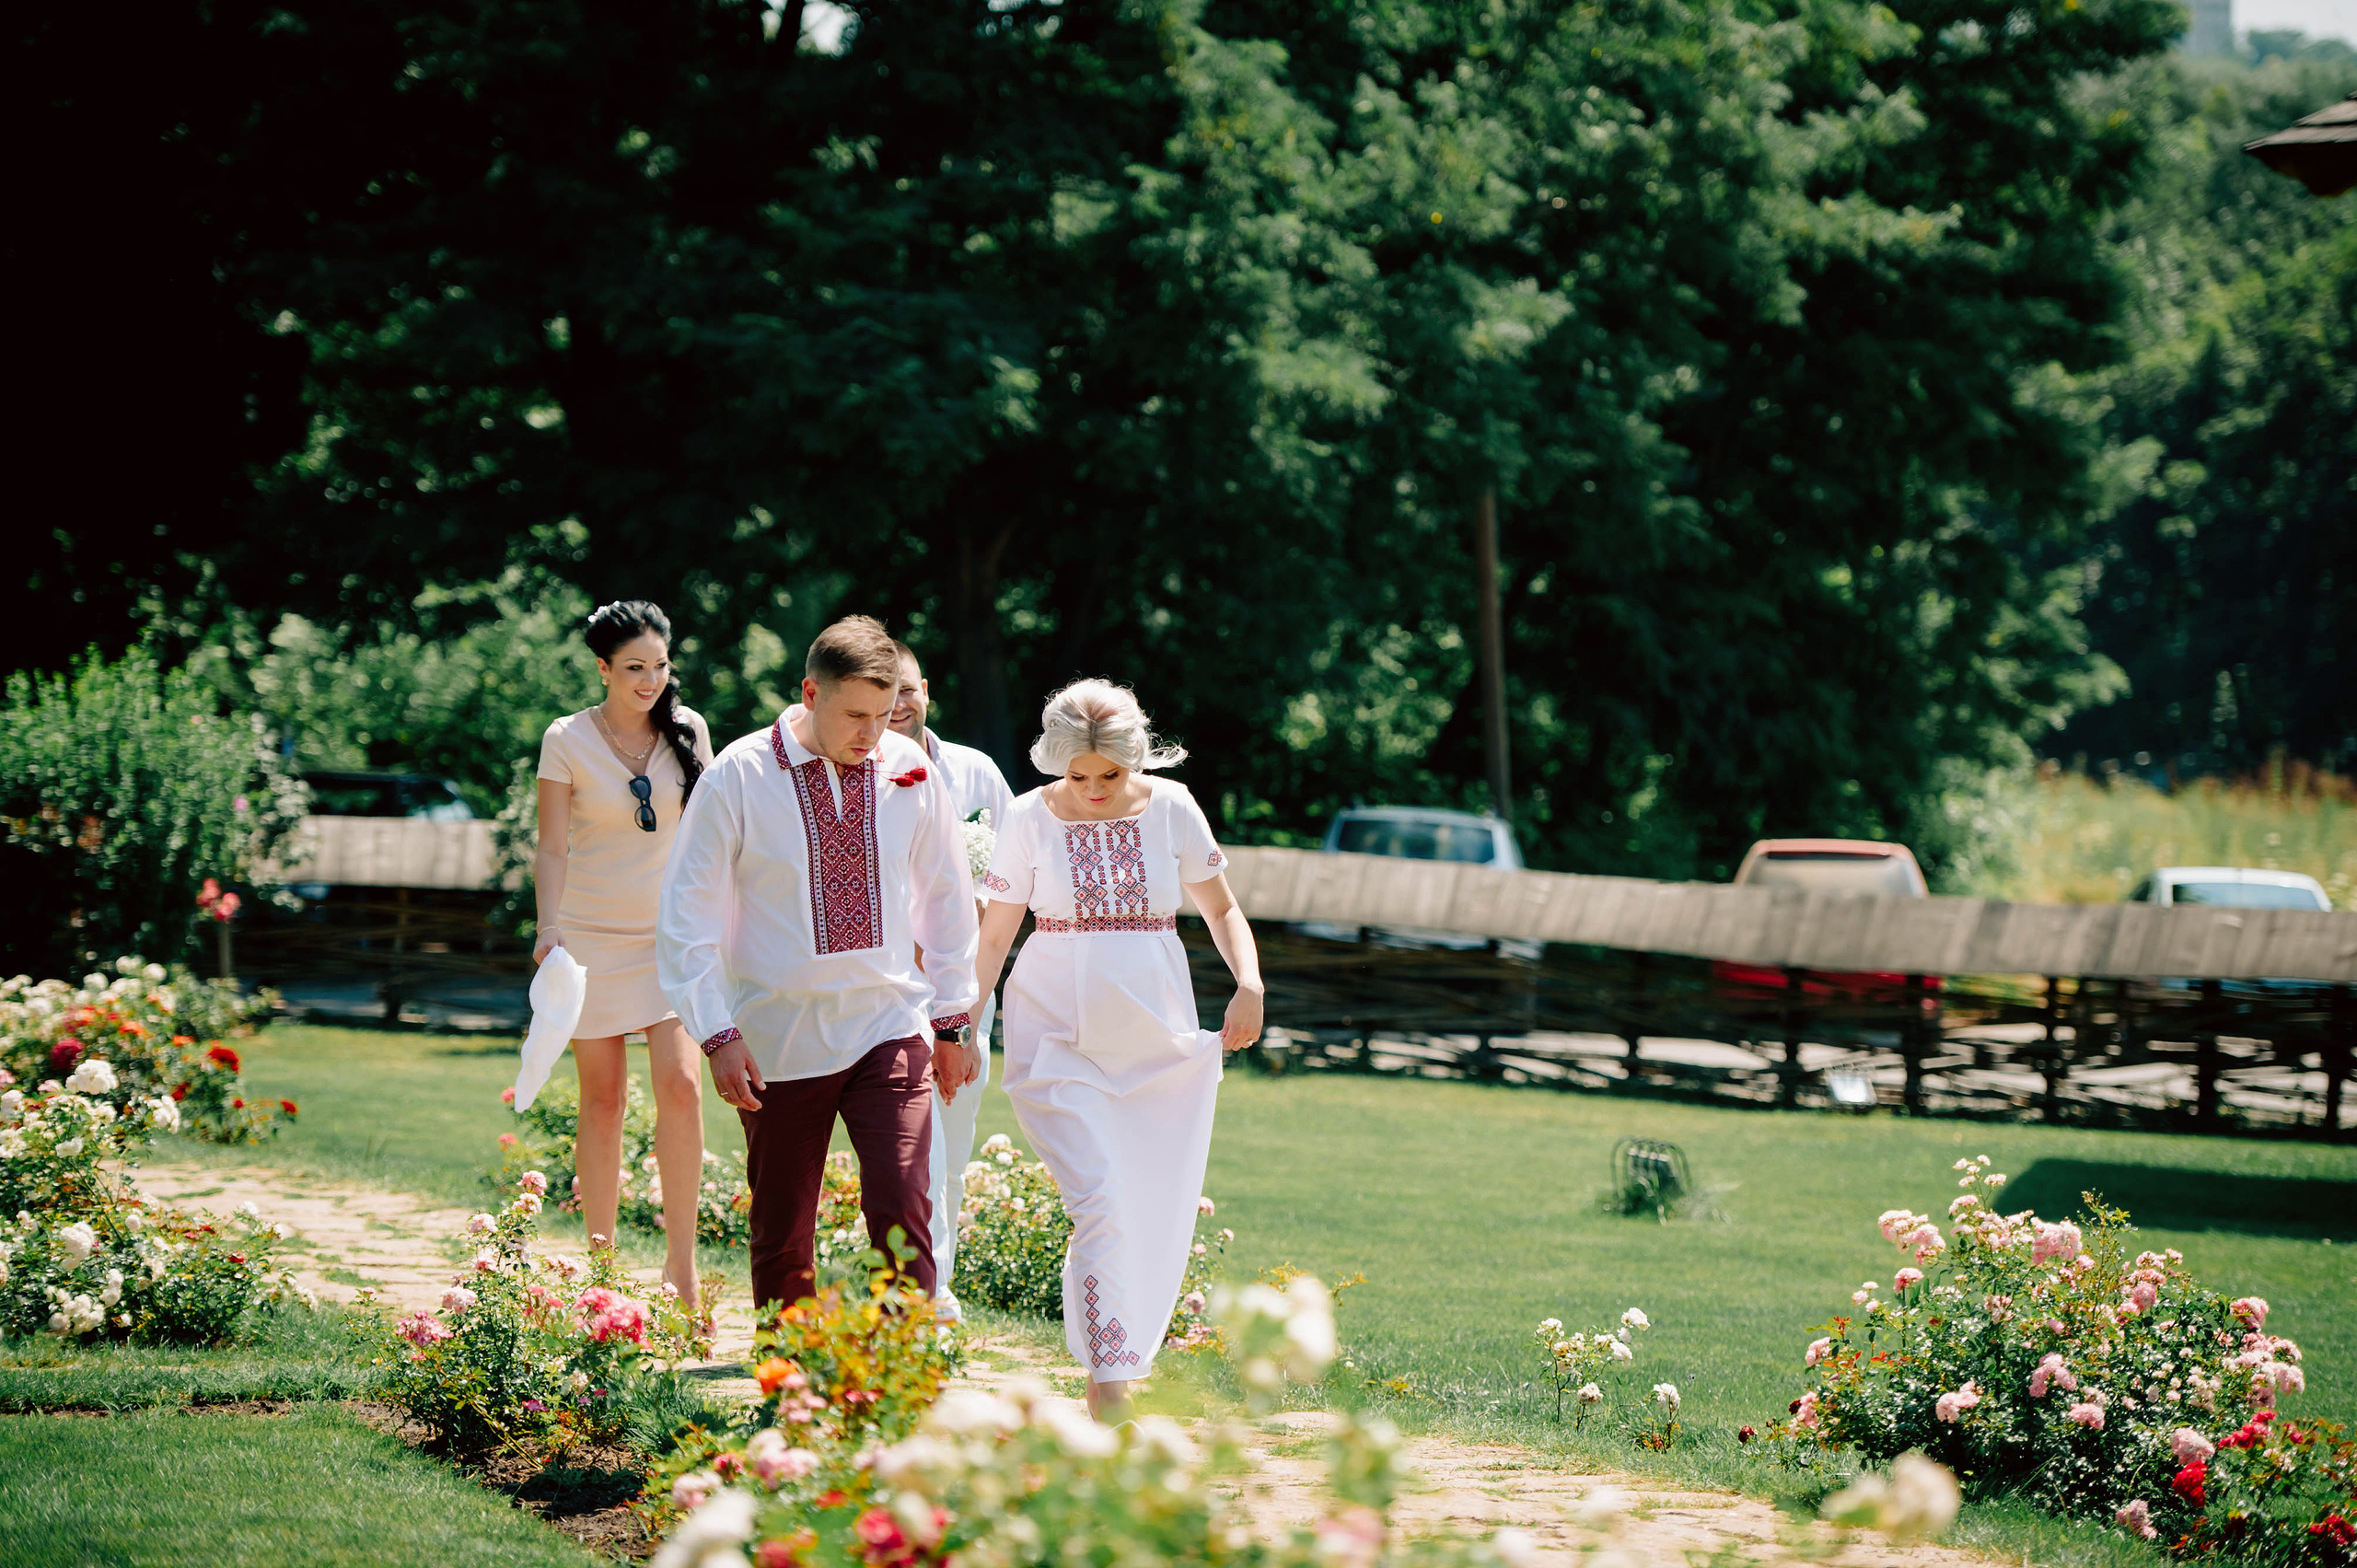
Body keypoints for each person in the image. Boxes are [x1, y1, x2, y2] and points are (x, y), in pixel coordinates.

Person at [657, 615, 981, 1318]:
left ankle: (905, 1365)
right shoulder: (739, 775)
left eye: (884, 713)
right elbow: (686, 919)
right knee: (783, 1227)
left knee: (903, 1202)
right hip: (777, 1036)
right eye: (856, 715)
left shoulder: (909, 769)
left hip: (887, 1022)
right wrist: (716, 1032)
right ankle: (789, 1371)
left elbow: (947, 898)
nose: (873, 733)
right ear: (810, 693)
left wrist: (953, 1021)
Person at [970, 679, 1263, 1422]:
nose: (1095, 789)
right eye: (1079, 775)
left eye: (1111, 773)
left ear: (1135, 759)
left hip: (1156, 1041)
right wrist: (961, 1027)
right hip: (1055, 1037)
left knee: (1147, 1204)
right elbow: (996, 935)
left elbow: (1221, 906)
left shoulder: (1174, 807)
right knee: (1099, 1196)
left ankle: (1117, 1358)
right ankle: (1111, 1380)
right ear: (1055, 761)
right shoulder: (1027, 817)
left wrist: (1249, 982)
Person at [532, 600, 715, 1307]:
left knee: (683, 1086)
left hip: (669, 940)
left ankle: (681, 1271)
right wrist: (548, 927)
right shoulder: (566, 739)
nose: (650, 680)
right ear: (603, 667)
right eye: (635, 666)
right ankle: (603, 1274)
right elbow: (553, 846)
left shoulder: (689, 729)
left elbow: (712, 835)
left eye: (660, 665)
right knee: (603, 1100)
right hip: (589, 939)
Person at [888, 641, 1015, 1325]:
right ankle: (917, 1292)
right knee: (907, 1145)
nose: (898, 703)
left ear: (927, 690)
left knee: (953, 1143)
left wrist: (973, 950)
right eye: (885, 689)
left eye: (908, 688)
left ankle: (937, 1284)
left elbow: (1018, 874)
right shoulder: (857, 769)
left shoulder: (974, 772)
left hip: (966, 988)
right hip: (886, 988)